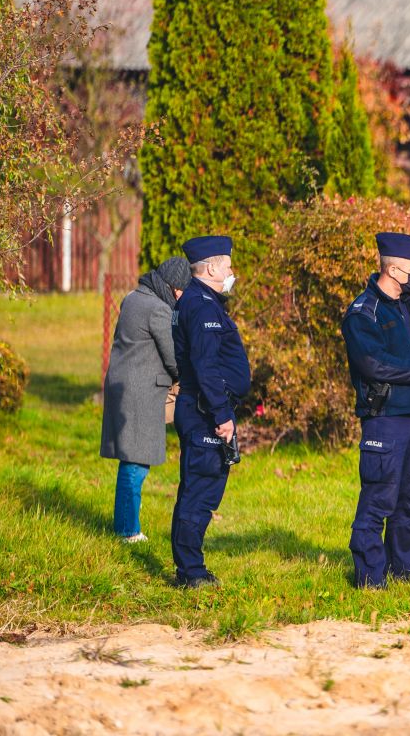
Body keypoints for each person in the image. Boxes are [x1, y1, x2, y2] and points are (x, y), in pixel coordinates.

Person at [341, 232, 410, 589]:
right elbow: (372, 363)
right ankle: (370, 578)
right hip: (384, 419)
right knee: (379, 499)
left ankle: (402, 571)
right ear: (394, 269)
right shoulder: (363, 312)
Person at [170, 236, 251, 589]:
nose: (232, 271)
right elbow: (205, 366)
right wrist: (221, 414)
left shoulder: (202, 302)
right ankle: (191, 571)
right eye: (229, 265)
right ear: (214, 267)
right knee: (199, 492)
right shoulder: (202, 307)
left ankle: (190, 566)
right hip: (204, 410)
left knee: (200, 489)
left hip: (203, 407)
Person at [100, 257, 192, 543]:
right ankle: (128, 531)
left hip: (124, 387)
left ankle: (124, 526)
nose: (181, 297)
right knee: (136, 463)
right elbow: (173, 358)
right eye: (181, 291)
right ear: (172, 287)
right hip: (140, 393)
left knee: (130, 461)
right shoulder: (158, 310)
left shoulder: (133, 298)